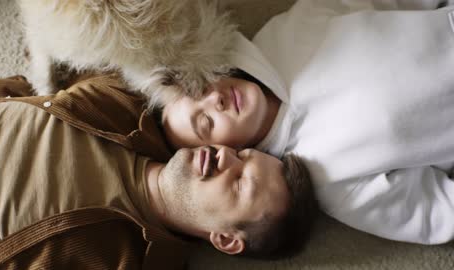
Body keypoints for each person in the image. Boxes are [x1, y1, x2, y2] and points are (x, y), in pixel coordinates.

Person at [161, 0, 454, 245]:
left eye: (200, 88)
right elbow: (436, 212)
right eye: (206, 122)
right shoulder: (327, 178)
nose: (216, 99)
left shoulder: (280, 36)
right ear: (225, 150)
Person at [0, 75, 317, 269]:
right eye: (242, 154)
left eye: (241, 184)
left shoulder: (131, 262)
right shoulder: (125, 104)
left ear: (226, 239)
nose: (225, 157)